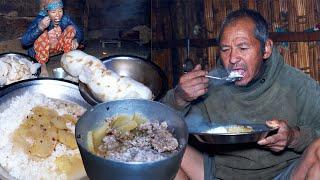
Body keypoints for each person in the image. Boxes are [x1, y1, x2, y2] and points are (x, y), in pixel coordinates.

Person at [162, 9, 320, 179]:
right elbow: (161, 125)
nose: (232, 58)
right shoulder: (208, 86)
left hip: (281, 175)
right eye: (225, 49)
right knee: (158, 149)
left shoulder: (298, 84)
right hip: (219, 174)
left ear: (266, 49)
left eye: (243, 47)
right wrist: (179, 98)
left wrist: (292, 137)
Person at [21, 0, 83, 74]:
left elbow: (79, 32)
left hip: (59, 46)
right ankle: (43, 66)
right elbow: (24, 42)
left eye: (60, 11)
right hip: (44, 50)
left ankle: (68, 59)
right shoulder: (41, 20)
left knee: (71, 28)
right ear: (47, 12)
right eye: (53, 12)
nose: (57, 15)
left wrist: (76, 40)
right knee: (42, 32)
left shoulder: (65, 18)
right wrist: (40, 27)